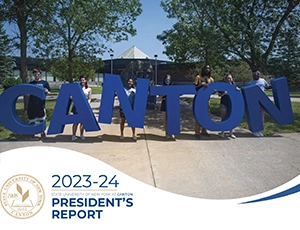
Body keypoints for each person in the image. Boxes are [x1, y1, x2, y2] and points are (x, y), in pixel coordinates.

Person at [27, 68, 51, 138]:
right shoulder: (31, 84)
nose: (36, 75)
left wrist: (47, 91)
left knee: (42, 119)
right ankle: (32, 133)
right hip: (32, 104)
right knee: (32, 120)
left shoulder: (44, 83)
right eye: (35, 74)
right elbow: (27, 93)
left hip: (41, 104)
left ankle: (42, 132)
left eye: (38, 74)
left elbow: (49, 92)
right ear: (33, 75)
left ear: (40, 74)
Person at [248, 69, 272, 137]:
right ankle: (255, 130)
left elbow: (267, 87)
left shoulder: (262, 81)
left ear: (259, 74)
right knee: (255, 116)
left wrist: (274, 84)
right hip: (254, 101)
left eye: (258, 74)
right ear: (253, 75)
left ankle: (260, 130)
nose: (256, 75)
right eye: (255, 74)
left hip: (262, 101)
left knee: (261, 116)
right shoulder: (250, 83)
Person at [194, 64, 214, 139]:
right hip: (199, 100)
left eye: (208, 69)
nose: (207, 70)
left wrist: (214, 91)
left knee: (206, 115)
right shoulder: (198, 77)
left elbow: (212, 90)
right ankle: (197, 132)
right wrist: (201, 85)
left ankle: (204, 131)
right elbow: (194, 88)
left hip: (207, 100)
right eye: (206, 68)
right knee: (198, 115)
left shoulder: (211, 79)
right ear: (203, 69)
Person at [218, 74, 240, 139]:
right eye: (227, 78)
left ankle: (231, 132)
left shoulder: (234, 86)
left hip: (232, 104)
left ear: (232, 79)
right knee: (223, 117)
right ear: (226, 79)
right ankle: (222, 132)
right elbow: (219, 95)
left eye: (230, 78)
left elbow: (237, 95)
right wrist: (224, 93)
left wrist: (237, 90)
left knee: (231, 118)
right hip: (224, 103)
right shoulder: (222, 86)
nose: (229, 79)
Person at [71, 75, 92, 141]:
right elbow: (71, 96)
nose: (82, 81)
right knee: (75, 121)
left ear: (86, 81)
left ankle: (81, 134)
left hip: (84, 107)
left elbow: (89, 98)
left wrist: (87, 104)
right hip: (77, 106)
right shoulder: (76, 88)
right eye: (81, 80)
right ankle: (74, 135)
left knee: (83, 122)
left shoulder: (89, 89)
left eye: (83, 80)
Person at [160, 74, 175, 139]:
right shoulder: (162, 87)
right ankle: (167, 133)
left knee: (171, 119)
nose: (168, 81)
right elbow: (159, 97)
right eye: (167, 79)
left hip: (171, 104)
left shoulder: (173, 87)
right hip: (164, 103)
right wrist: (164, 94)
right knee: (165, 119)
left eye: (169, 79)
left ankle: (172, 132)